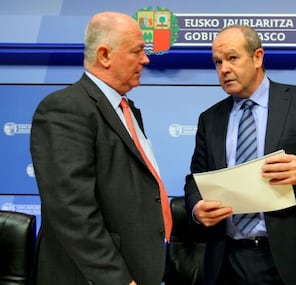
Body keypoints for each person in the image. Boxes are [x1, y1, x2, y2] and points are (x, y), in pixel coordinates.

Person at [184, 25, 296, 285]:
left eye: (232, 58)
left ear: (258, 57)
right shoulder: (210, 119)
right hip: (226, 259)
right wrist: (197, 208)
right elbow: (196, 179)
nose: (224, 69)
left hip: (288, 255)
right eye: (217, 62)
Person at [30, 11, 172, 285]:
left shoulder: (127, 110)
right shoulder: (65, 108)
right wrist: (117, 280)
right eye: (137, 51)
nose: (146, 59)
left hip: (136, 270)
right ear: (105, 55)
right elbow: (72, 210)